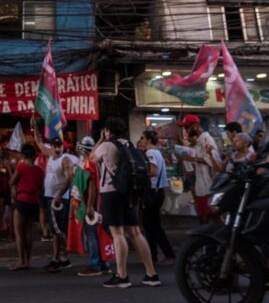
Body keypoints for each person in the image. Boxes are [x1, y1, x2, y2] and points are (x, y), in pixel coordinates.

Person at [90, 117, 160, 288]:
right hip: (131, 192)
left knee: (118, 234)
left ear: (108, 131)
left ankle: (122, 276)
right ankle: (151, 274)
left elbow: (91, 158)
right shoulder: (129, 145)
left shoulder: (107, 146)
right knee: (136, 232)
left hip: (112, 193)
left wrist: (100, 139)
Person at [36, 132, 79, 273]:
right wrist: (34, 128)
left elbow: (69, 178)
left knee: (57, 230)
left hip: (58, 199)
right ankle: (63, 258)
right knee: (56, 229)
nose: (57, 148)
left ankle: (57, 258)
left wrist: (59, 195)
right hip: (51, 197)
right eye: (55, 146)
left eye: (59, 145)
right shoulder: (50, 156)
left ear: (63, 147)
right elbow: (39, 142)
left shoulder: (65, 160)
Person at [72, 136, 112, 277]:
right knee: (99, 233)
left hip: (94, 203)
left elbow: (91, 186)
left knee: (92, 234)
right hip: (102, 201)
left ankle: (95, 264)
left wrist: (89, 206)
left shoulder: (90, 163)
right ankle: (104, 264)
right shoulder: (97, 161)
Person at [178, 114, 223, 225]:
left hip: (209, 184)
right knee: (206, 215)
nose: (186, 130)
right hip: (202, 185)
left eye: (187, 127)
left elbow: (214, 162)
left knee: (213, 215)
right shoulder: (199, 140)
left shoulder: (207, 139)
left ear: (196, 125)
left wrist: (192, 158)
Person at [139, 130, 175, 265]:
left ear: (148, 140)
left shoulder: (150, 153)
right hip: (158, 192)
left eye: (143, 138)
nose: (141, 140)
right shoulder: (157, 152)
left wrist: (140, 173)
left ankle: (168, 253)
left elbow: (152, 172)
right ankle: (152, 255)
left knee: (153, 225)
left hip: (153, 192)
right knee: (150, 225)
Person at [9, 144, 44, 271]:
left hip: (22, 200)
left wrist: (15, 188)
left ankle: (21, 261)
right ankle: (28, 260)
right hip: (33, 201)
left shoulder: (21, 167)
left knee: (19, 233)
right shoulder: (39, 170)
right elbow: (40, 187)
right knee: (28, 232)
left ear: (23, 155)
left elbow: (12, 181)